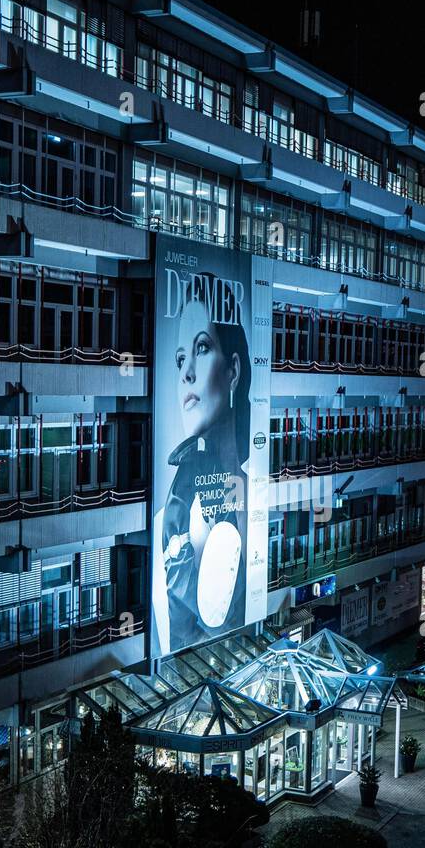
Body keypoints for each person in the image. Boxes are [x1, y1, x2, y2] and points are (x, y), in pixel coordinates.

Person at [157, 272, 254, 653]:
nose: (186, 372)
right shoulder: (167, 518)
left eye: (201, 348)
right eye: (181, 358)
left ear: (232, 370)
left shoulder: (255, 493)